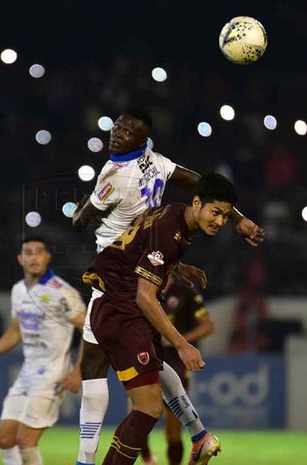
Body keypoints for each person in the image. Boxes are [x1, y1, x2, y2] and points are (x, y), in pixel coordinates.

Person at [72, 109, 264, 465]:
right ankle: (198, 434)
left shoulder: (115, 177)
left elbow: (81, 222)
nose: (118, 133)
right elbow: (196, 182)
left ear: (141, 139)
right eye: (118, 126)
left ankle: (89, 459)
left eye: (127, 130)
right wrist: (240, 220)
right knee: (143, 386)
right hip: (127, 284)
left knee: (100, 373)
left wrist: (78, 212)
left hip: (121, 284)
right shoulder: (156, 165)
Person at [82, 172, 239, 465]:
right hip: (122, 310)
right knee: (148, 409)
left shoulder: (176, 212)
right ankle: (198, 435)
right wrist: (183, 344)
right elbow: (145, 296)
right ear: (197, 202)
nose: (219, 221)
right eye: (215, 212)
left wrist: (177, 266)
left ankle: (199, 435)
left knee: (160, 373)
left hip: (123, 306)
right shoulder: (171, 232)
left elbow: (143, 235)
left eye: (226, 217)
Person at [0, 236, 87, 465]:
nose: (34, 257)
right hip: (27, 374)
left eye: (39, 252)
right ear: (20, 259)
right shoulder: (18, 291)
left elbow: (90, 329)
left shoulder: (62, 292)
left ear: (47, 257)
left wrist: (78, 371)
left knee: (26, 440)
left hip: (53, 375)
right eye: (29, 252)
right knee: (4, 438)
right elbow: (16, 331)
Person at [145, 274, 215, 465]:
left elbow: (209, 326)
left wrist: (180, 341)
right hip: (145, 356)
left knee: (172, 433)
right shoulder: (144, 284)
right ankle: (148, 458)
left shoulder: (185, 291)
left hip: (176, 362)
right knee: (140, 415)